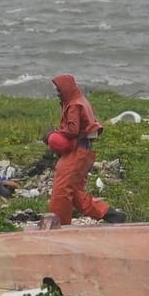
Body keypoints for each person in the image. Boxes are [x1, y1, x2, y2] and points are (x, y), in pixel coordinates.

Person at [46, 74, 126, 225]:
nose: (57, 92)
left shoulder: (74, 105)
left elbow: (73, 130)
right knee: (75, 192)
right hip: (85, 151)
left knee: (61, 189)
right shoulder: (81, 100)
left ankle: (59, 224)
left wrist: (53, 134)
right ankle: (110, 214)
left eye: (59, 89)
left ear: (66, 88)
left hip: (76, 152)